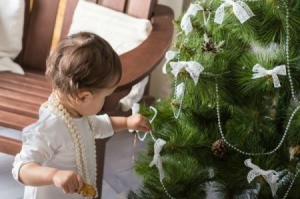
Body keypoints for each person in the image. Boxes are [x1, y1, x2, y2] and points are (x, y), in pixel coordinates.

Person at [12, 32, 151, 199]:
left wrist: (127, 122)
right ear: (83, 96)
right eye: (104, 97)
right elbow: (21, 169)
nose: (105, 102)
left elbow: (102, 125)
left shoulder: (79, 114)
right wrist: (54, 175)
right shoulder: (50, 127)